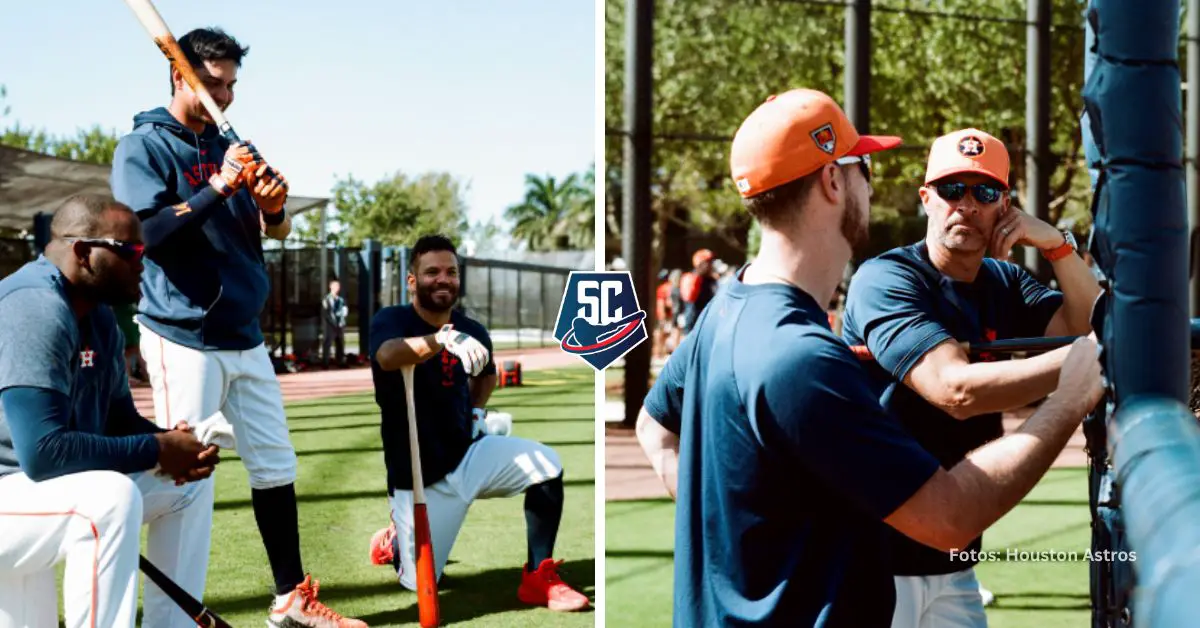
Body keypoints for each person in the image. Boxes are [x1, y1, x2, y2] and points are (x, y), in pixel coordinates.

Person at [633, 88, 1105, 627]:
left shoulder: (725, 313)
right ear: (834, 181)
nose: (870, 184)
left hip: (922, 569)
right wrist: (1071, 390)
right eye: (864, 167)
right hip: (897, 558)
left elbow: (654, 425)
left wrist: (739, 539)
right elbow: (951, 504)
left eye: (983, 190)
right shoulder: (803, 353)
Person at [109, 27, 366, 627]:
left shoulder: (236, 145)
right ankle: (152, 604)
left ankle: (290, 600)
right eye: (213, 83)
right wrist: (220, 185)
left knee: (276, 465)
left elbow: (268, 232)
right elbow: (148, 234)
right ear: (181, 76)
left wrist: (272, 206)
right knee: (185, 475)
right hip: (182, 332)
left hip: (243, 334)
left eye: (231, 85)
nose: (225, 96)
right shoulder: (142, 147)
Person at [840, 128, 1102, 628]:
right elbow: (954, 391)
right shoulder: (887, 278)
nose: (966, 204)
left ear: (1004, 205)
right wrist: (1089, 363)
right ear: (926, 199)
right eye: (951, 189)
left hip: (955, 561)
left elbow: (1086, 324)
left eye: (983, 192)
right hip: (873, 560)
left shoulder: (1004, 282)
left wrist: (1056, 245)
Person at [0, 195, 219, 628]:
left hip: (28, 497)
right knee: (108, 497)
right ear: (83, 252)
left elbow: (120, 420)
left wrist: (171, 446)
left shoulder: (98, 316)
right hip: (17, 488)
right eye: (132, 252)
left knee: (186, 485)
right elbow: (43, 453)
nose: (145, 263)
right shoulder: (35, 306)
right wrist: (155, 448)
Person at [366, 234, 590, 612]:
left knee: (546, 465)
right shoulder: (391, 321)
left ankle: (538, 577)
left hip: (468, 454)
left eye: (451, 272)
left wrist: (474, 411)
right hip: (420, 479)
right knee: (418, 584)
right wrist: (440, 340)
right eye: (432, 271)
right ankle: (394, 543)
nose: (443, 279)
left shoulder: (474, 329)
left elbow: (486, 374)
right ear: (412, 280)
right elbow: (388, 356)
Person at [678, 248, 719, 335]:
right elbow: (688, 301)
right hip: (693, 322)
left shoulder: (711, 280)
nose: (711, 265)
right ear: (700, 264)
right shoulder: (691, 278)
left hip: (707, 321)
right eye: (708, 262)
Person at [322, 277, 349, 367]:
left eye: (338, 286)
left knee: (340, 343)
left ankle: (340, 361)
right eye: (335, 286)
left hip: (340, 324)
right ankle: (325, 362)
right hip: (330, 325)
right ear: (331, 287)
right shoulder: (326, 299)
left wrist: (342, 318)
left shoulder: (341, 300)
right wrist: (332, 322)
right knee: (328, 343)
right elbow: (325, 313)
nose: (337, 288)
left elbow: (345, 310)